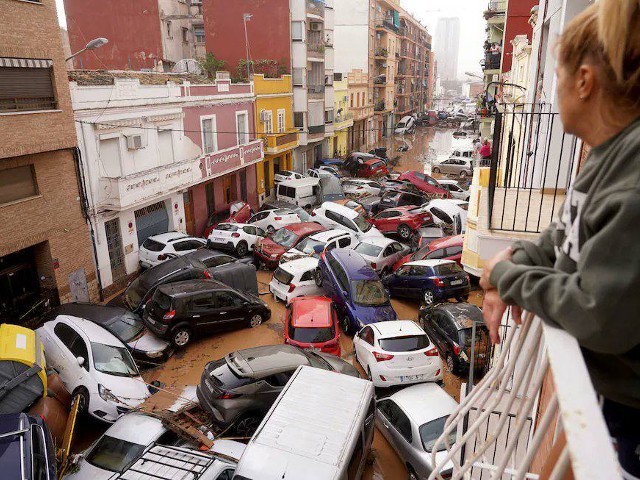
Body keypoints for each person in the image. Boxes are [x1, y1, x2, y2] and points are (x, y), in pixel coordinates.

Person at [480, 0, 640, 476]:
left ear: (585, 81)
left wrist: (506, 274)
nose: (554, 87)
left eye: (557, 73)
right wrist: (516, 259)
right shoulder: (607, 155)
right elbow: (562, 233)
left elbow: (598, 311)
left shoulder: (632, 177)